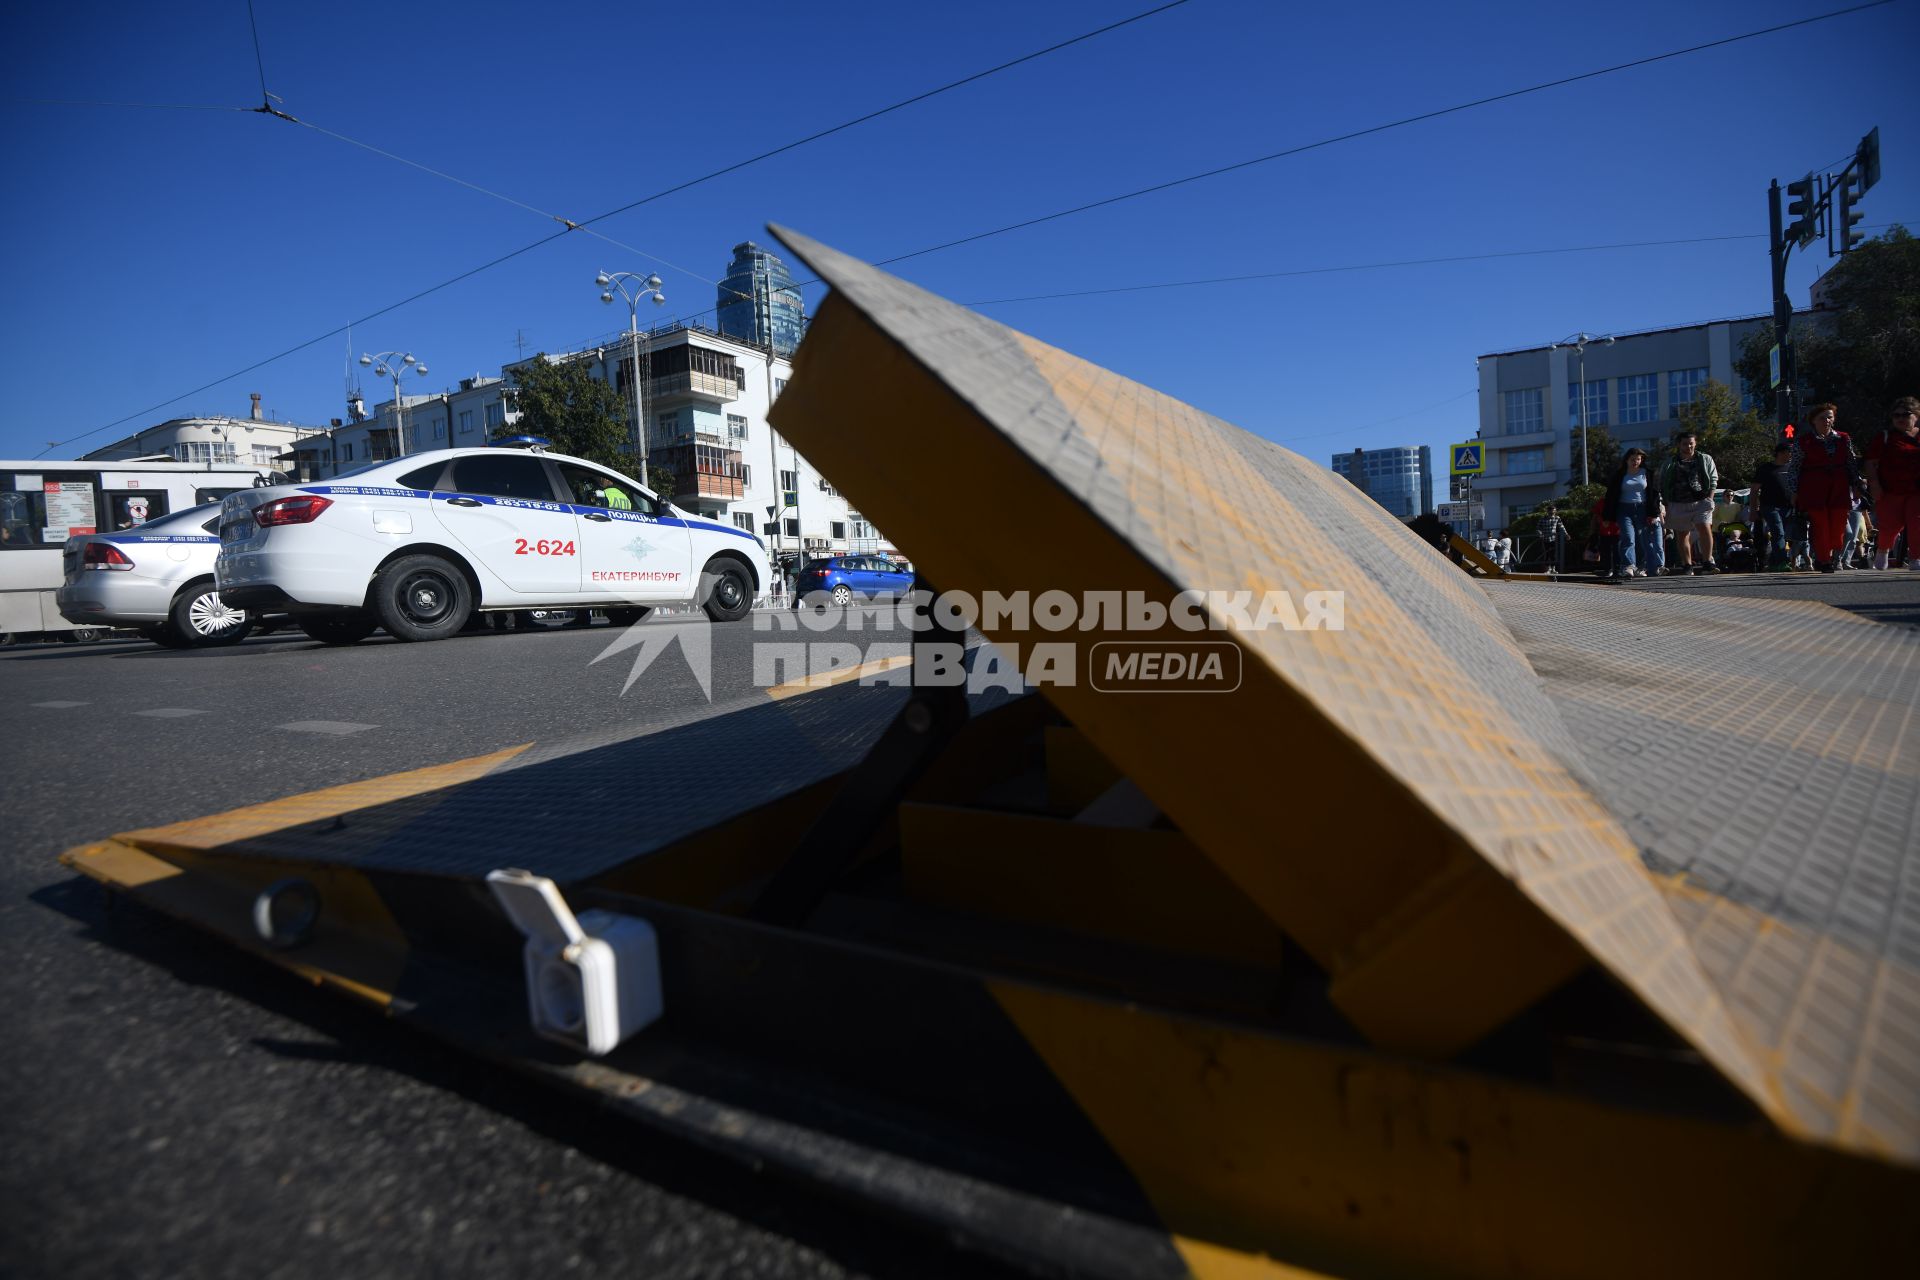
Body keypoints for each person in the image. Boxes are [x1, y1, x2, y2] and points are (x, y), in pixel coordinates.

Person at [1785, 402, 1862, 573]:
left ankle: (1832, 552)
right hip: (1813, 488)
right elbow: (1795, 467)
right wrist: (1794, 491)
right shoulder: (1803, 441)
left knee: (1838, 524)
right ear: (1813, 421)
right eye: (1822, 418)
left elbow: (1851, 462)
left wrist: (1856, 483)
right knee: (1820, 525)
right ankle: (1824, 559)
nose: (1826, 420)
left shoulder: (1843, 438)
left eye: (1830, 417)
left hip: (1839, 487)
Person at [1864, 395, 1920, 570]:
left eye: (1906, 414)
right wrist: (1874, 484)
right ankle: (1883, 550)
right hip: (1889, 491)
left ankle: (1915, 558)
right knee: (1890, 526)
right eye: (1896, 415)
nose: (1901, 418)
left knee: (1917, 524)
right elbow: (1870, 462)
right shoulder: (1885, 437)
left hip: (1917, 490)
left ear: (1916, 416)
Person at [1659, 430, 1719, 573]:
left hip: (1701, 501)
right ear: (1679, 445)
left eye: (1691, 444)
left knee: (1704, 528)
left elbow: (1713, 478)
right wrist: (1666, 502)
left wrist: (1709, 498)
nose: (1689, 447)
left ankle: (1707, 561)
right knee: (1682, 533)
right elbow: (1663, 482)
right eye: (1685, 444)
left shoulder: (1704, 459)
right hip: (1679, 502)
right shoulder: (1670, 462)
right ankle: (1687, 564)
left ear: (1695, 443)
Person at [1601, 448, 1662, 579]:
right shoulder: (1619, 475)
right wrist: (1606, 516)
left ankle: (1641, 567)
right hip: (1624, 509)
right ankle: (1628, 566)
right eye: (1632, 459)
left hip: (1642, 508)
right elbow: (1610, 496)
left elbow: (1654, 494)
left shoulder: (1647, 473)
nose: (1635, 462)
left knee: (1642, 539)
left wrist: (1654, 513)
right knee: (1628, 537)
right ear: (1627, 460)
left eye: (1638, 459)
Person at [1750, 442, 1794, 571]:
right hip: (1769, 507)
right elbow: (1754, 490)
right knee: (1778, 532)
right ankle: (1782, 561)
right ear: (1780, 453)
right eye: (1789, 451)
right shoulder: (1765, 469)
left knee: (1783, 535)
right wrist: (1753, 510)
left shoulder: (1792, 468)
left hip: (1787, 507)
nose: (1791, 455)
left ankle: (1773, 562)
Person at [1537, 504, 1566, 574]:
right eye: (1550, 512)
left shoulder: (1557, 518)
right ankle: (1547, 569)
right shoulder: (1542, 518)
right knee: (1546, 554)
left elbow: (1561, 526)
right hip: (1545, 539)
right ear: (1547, 511)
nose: (1552, 513)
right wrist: (1540, 534)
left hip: (1553, 539)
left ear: (1555, 511)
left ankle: (1553, 569)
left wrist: (1566, 534)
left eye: (1553, 512)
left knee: (1553, 554)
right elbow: (1538, 528)